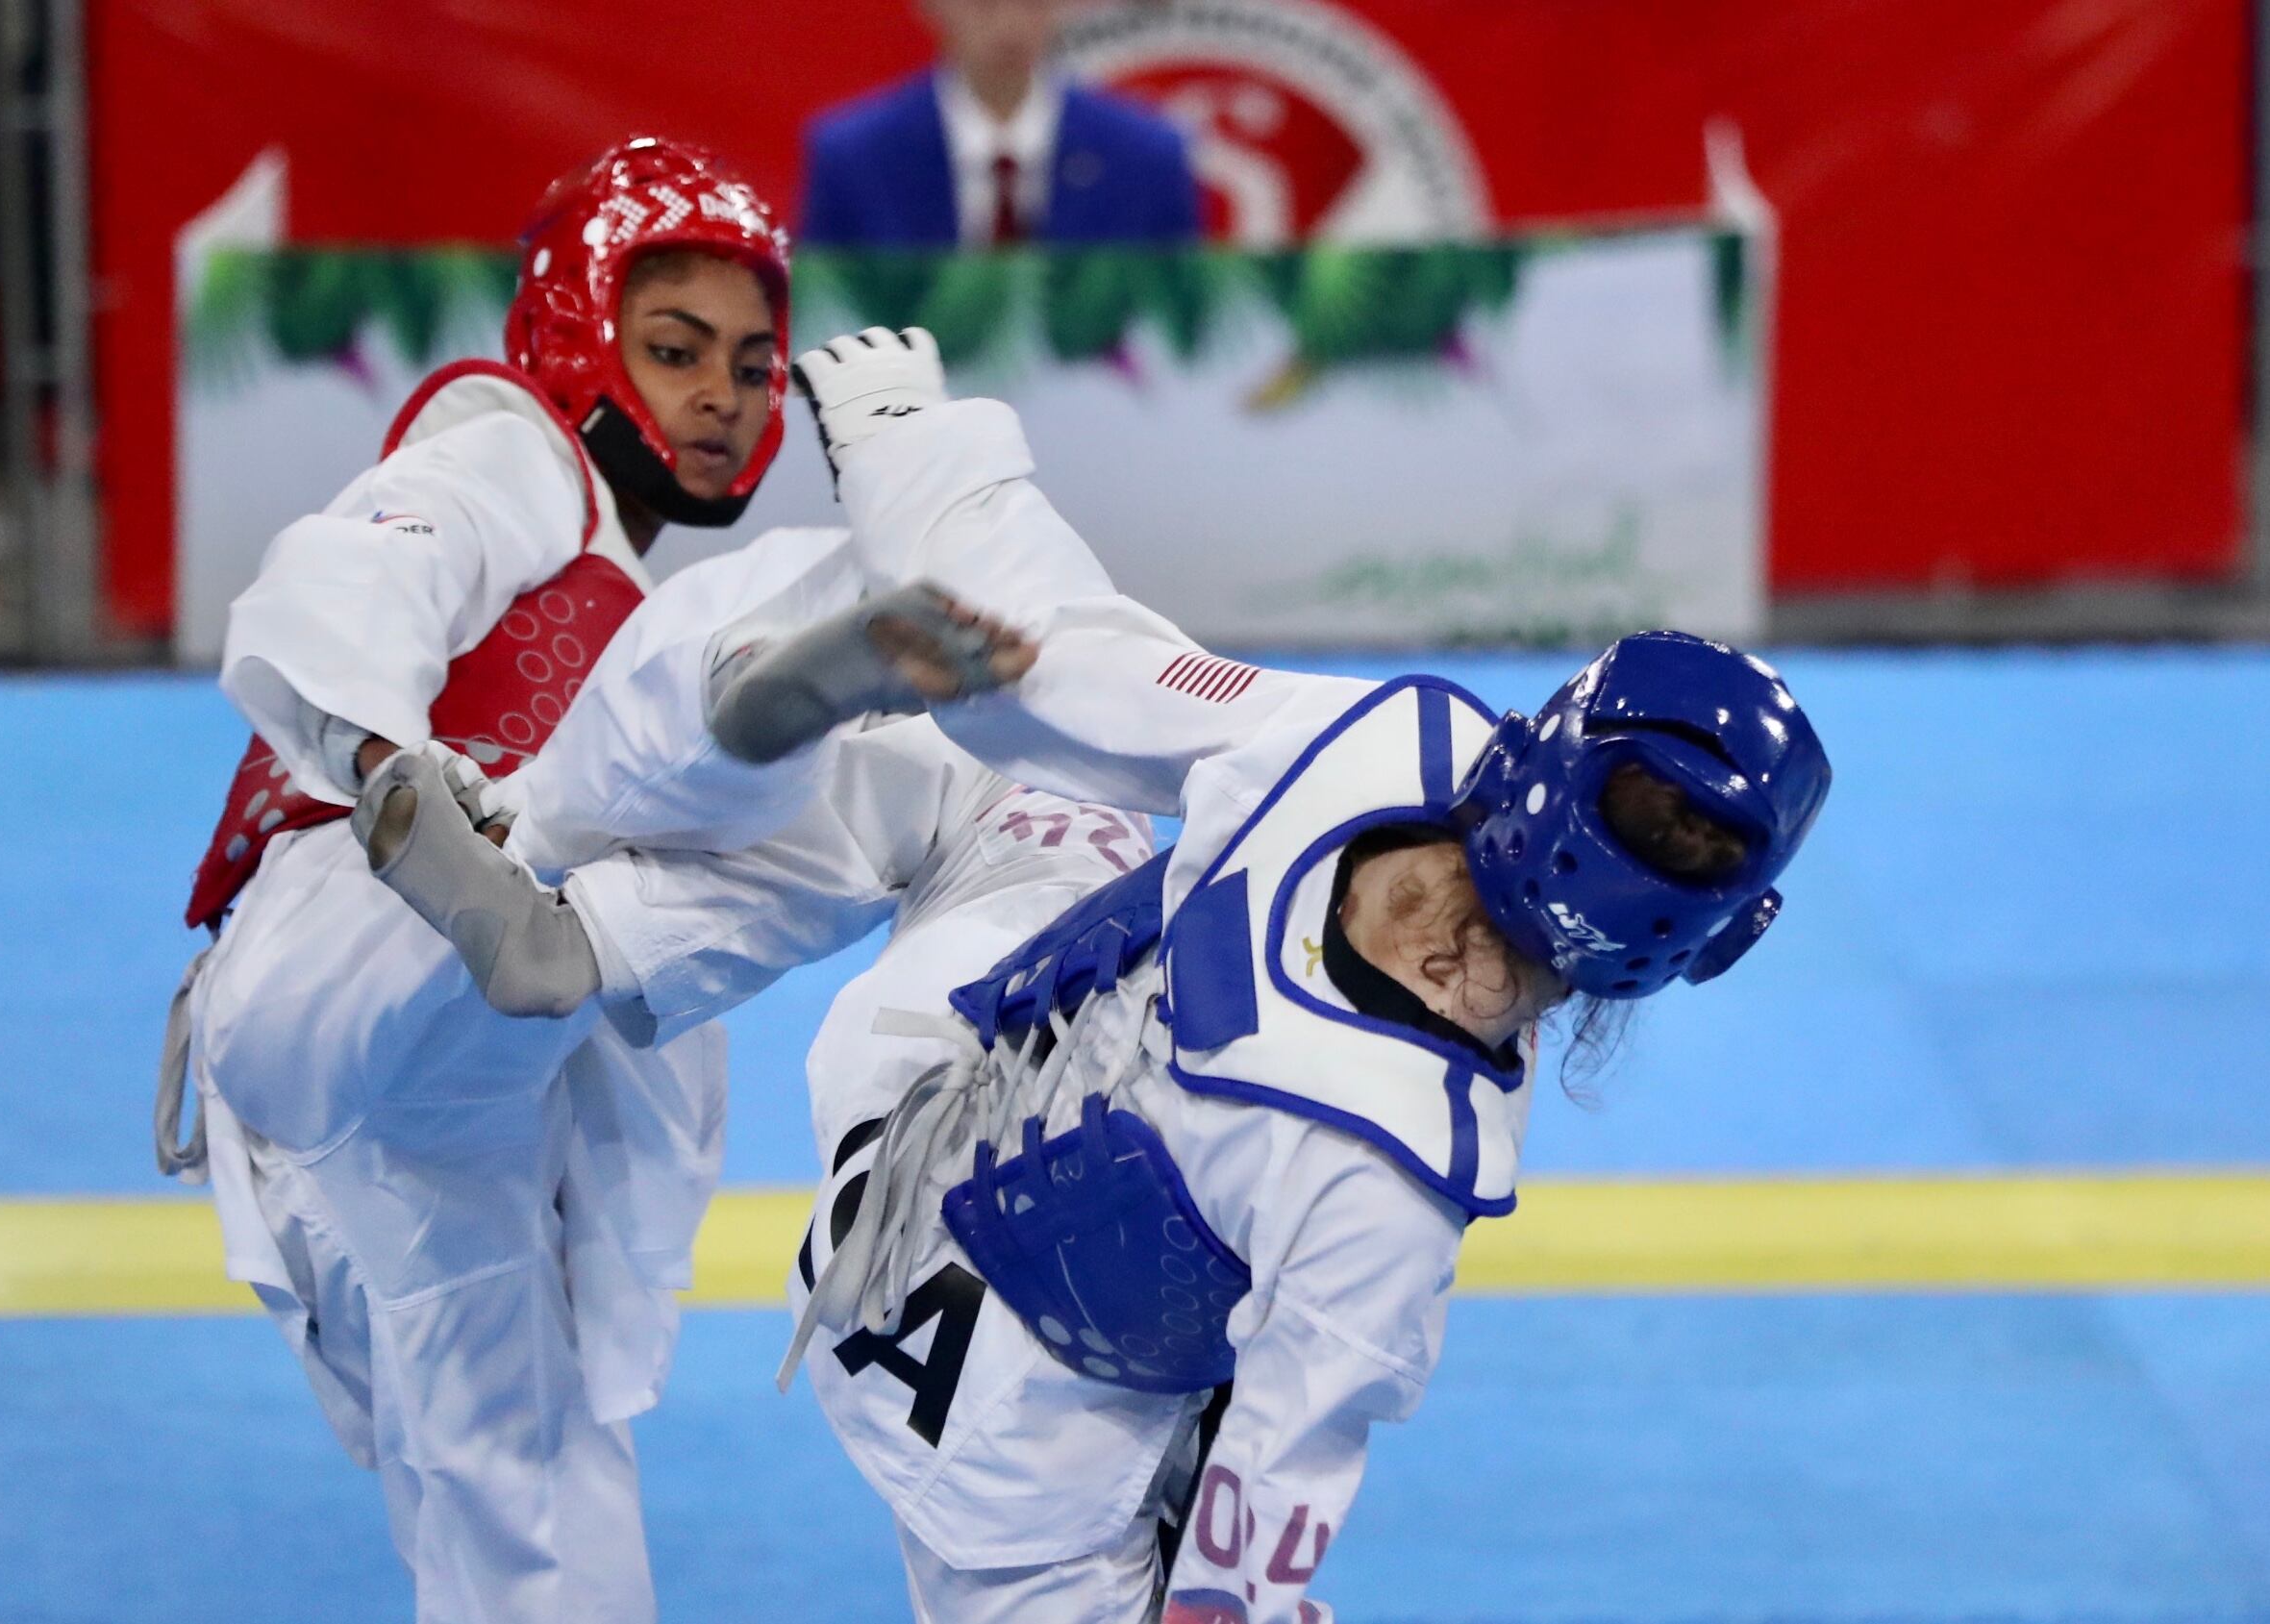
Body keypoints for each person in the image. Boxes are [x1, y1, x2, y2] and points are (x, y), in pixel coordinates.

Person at [354, 326, 1834, 1621]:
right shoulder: (1398, 1177)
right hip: (997, 1456)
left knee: (943, 738)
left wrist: (915, 452)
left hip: (909, 1089)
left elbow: (1072, 664)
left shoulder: (1391, 742)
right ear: (1698, 950)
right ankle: (633, 876)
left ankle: (585, 895)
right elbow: (1269, 1501)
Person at [161, 134, 824, 1622]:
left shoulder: (635, 587)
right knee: (697, 783)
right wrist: (397, 777)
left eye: (750, 361)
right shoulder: (512, 452)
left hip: (410, 1102)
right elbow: (365, 571)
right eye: (673, 349)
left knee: (523, 1481)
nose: (720, 394)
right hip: (360, 940)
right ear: (579, 330)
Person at [800, 0, 1199, 247]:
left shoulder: (1147, 158)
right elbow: (827, 321)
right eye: (984, 3)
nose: (1009, 26)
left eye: (1031, 3)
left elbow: (1183, 339)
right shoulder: (855, 157)